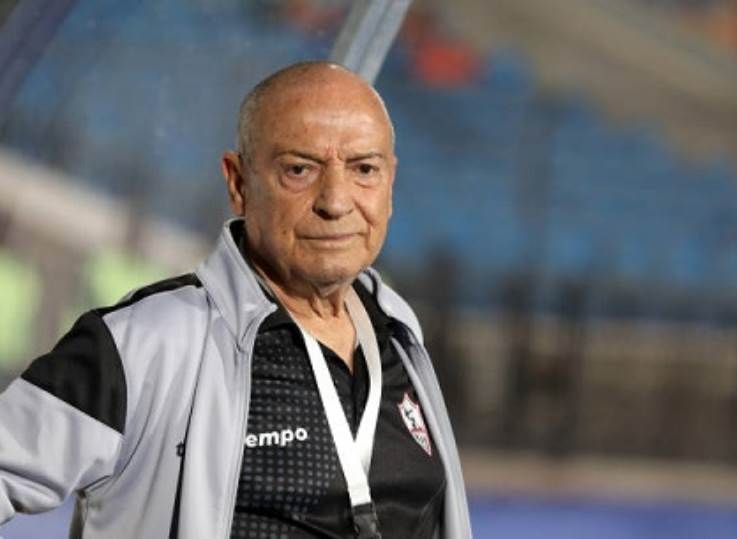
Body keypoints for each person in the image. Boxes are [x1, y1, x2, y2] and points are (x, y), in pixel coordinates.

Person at [0, 61, 471, 538]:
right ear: (238, 183)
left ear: (390, 184)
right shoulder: (143, 344)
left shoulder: (397, 332)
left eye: (364, 169)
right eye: (299, 169)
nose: (335, 201)